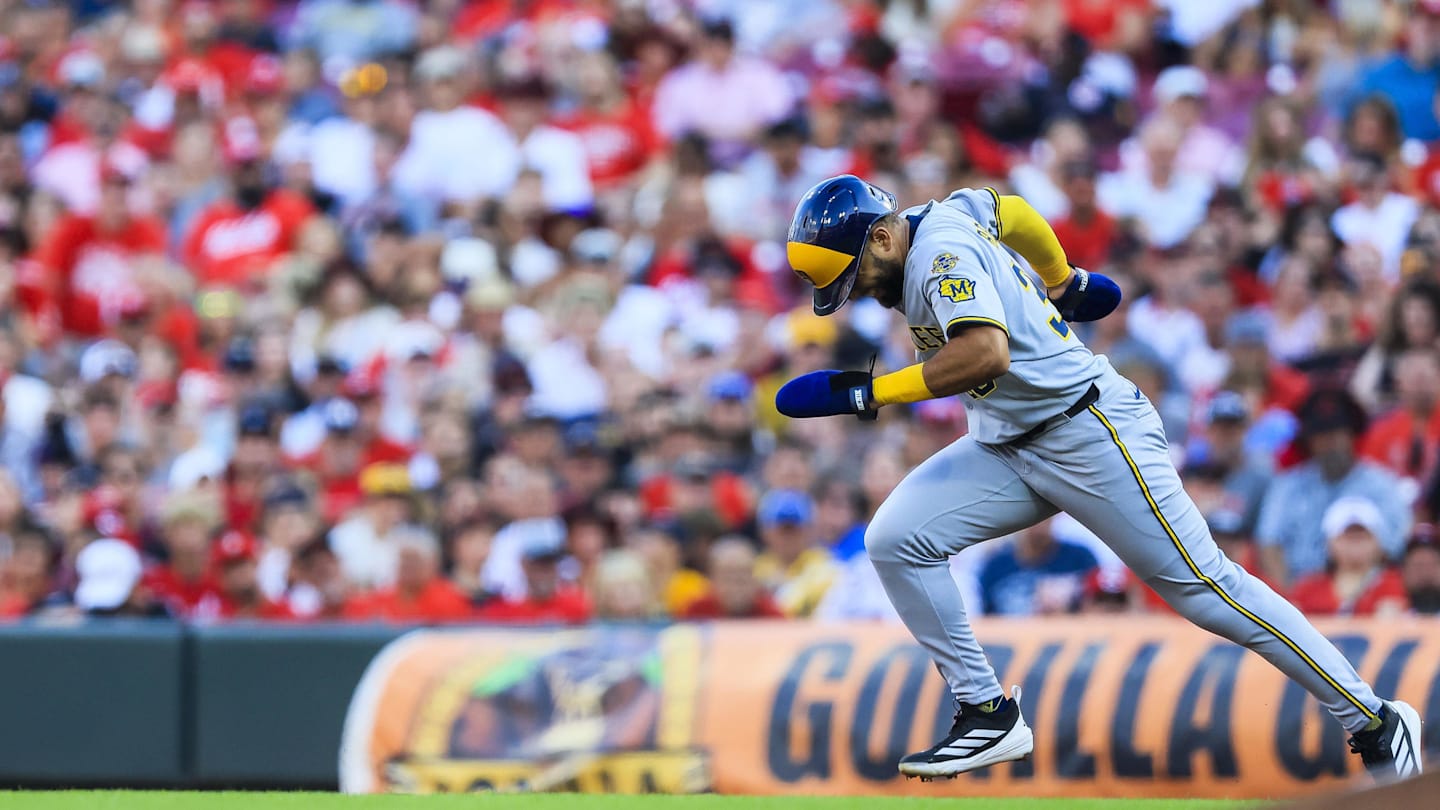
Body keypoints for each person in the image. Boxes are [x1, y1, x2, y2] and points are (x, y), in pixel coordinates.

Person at [775, 174, 1421, 780]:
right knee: (895, 539)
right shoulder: (947, 213)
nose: (858, 292)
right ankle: (987, 713)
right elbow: (1011, 211)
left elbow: (984, 353)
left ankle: (1376, 720)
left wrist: (872, 393)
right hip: (1008, 442)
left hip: (1087, 431)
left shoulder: (937, 251)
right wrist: (1064, 279)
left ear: (883, 237)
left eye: (856, 275)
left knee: (1208, 590)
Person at [1288, 499, 1409, 617]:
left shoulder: (1391, 583)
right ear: (1330, 543)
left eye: (1363, 537)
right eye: (1347, 537)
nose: (1355, 544)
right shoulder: (1308, 589)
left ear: (1378, 543)